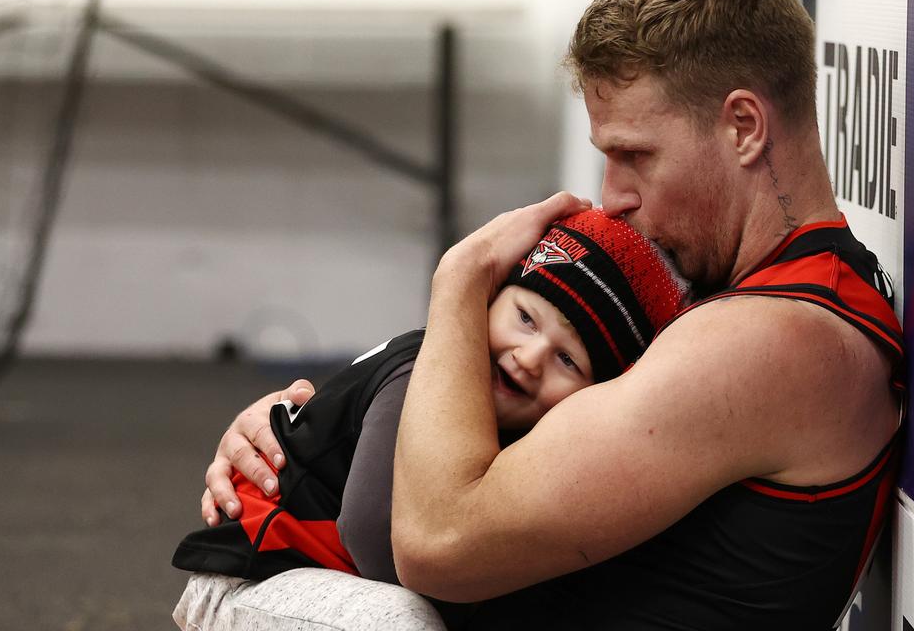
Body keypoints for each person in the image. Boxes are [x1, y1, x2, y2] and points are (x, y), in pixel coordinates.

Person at [197, 0, 904, 629]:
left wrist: (460, 280)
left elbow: (436, 542)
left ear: (744, 127)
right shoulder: (763, 299)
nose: (613, 196)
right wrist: (310, 435)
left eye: (635, 156)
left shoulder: (775, 341)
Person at [174, 211, 689, 614]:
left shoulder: (532, 433)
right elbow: (378, 540)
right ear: (485, 299)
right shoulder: (425, 373)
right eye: (526, 318)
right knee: (407, 619)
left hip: (328, 573)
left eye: (567, 360)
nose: (529, 360)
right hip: (256, 572)